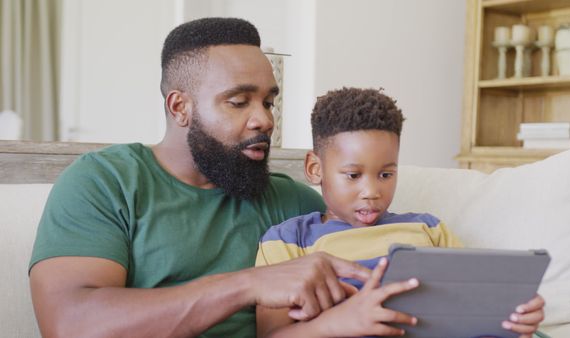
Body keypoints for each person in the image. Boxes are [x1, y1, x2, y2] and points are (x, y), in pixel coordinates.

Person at [27, 18, 416, 338]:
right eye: (238, 101)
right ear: (180, 107)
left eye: (268, 101)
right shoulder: (105, 183)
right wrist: (249, 284)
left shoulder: (300, 207)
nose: (265, 119)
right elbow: (69, 325)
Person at [255, 87, 546, 338]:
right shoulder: (287, 241)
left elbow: (472, 308)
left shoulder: (428, 230)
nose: (372, 191)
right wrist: (339, 322)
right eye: (353, 175)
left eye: (385, 174)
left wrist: (514, 317)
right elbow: (270, 335)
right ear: (315, 169)